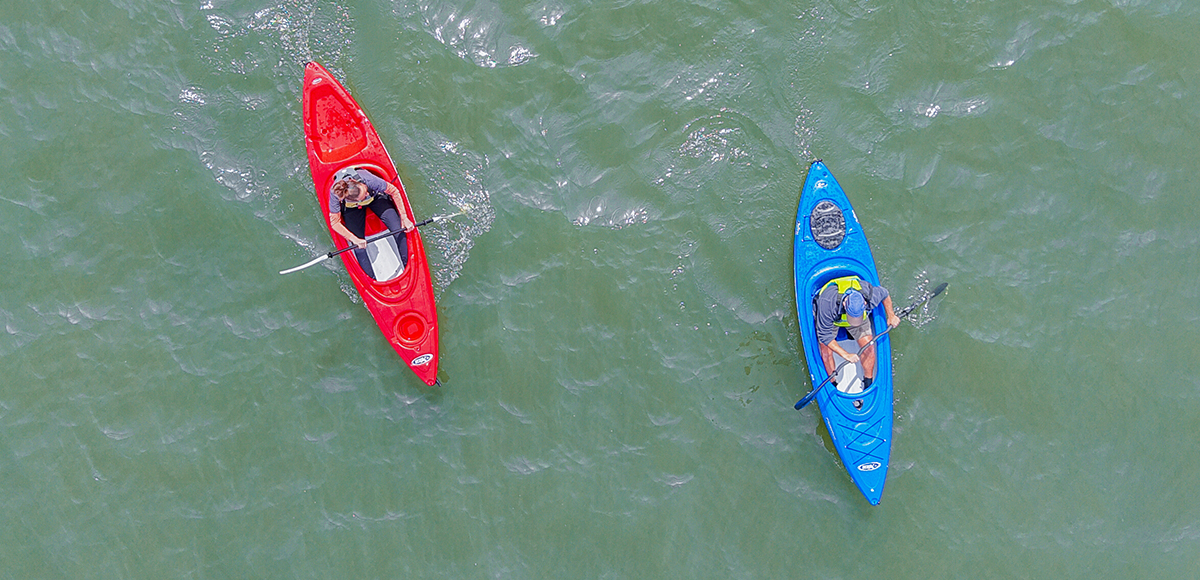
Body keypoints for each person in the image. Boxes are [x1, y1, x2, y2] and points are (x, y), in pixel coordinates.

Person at [813, 276, 901, 393]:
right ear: (844, 304)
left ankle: (868, 382)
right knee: (825, 351)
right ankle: (832, 384)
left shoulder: (869, 294)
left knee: (869, 347)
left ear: (864, 303)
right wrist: (846, 355)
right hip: (832, 318)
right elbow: (825, 336)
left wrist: (891, 315)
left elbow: (884, 294)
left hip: (857, 315)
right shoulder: (827, 302)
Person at [328, 167, 414, 280]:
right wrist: (355, 239)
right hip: (353, 209)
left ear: (356, 182)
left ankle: (407, 269)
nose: (366, 192)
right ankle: (371, 280)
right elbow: (334, 223)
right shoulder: (335, 194)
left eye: (364, 189)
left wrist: (404, 217)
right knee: (358, 248)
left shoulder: (368, 180)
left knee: (399, 230)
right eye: (364, 195)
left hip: (376, 198)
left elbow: (393, 191)